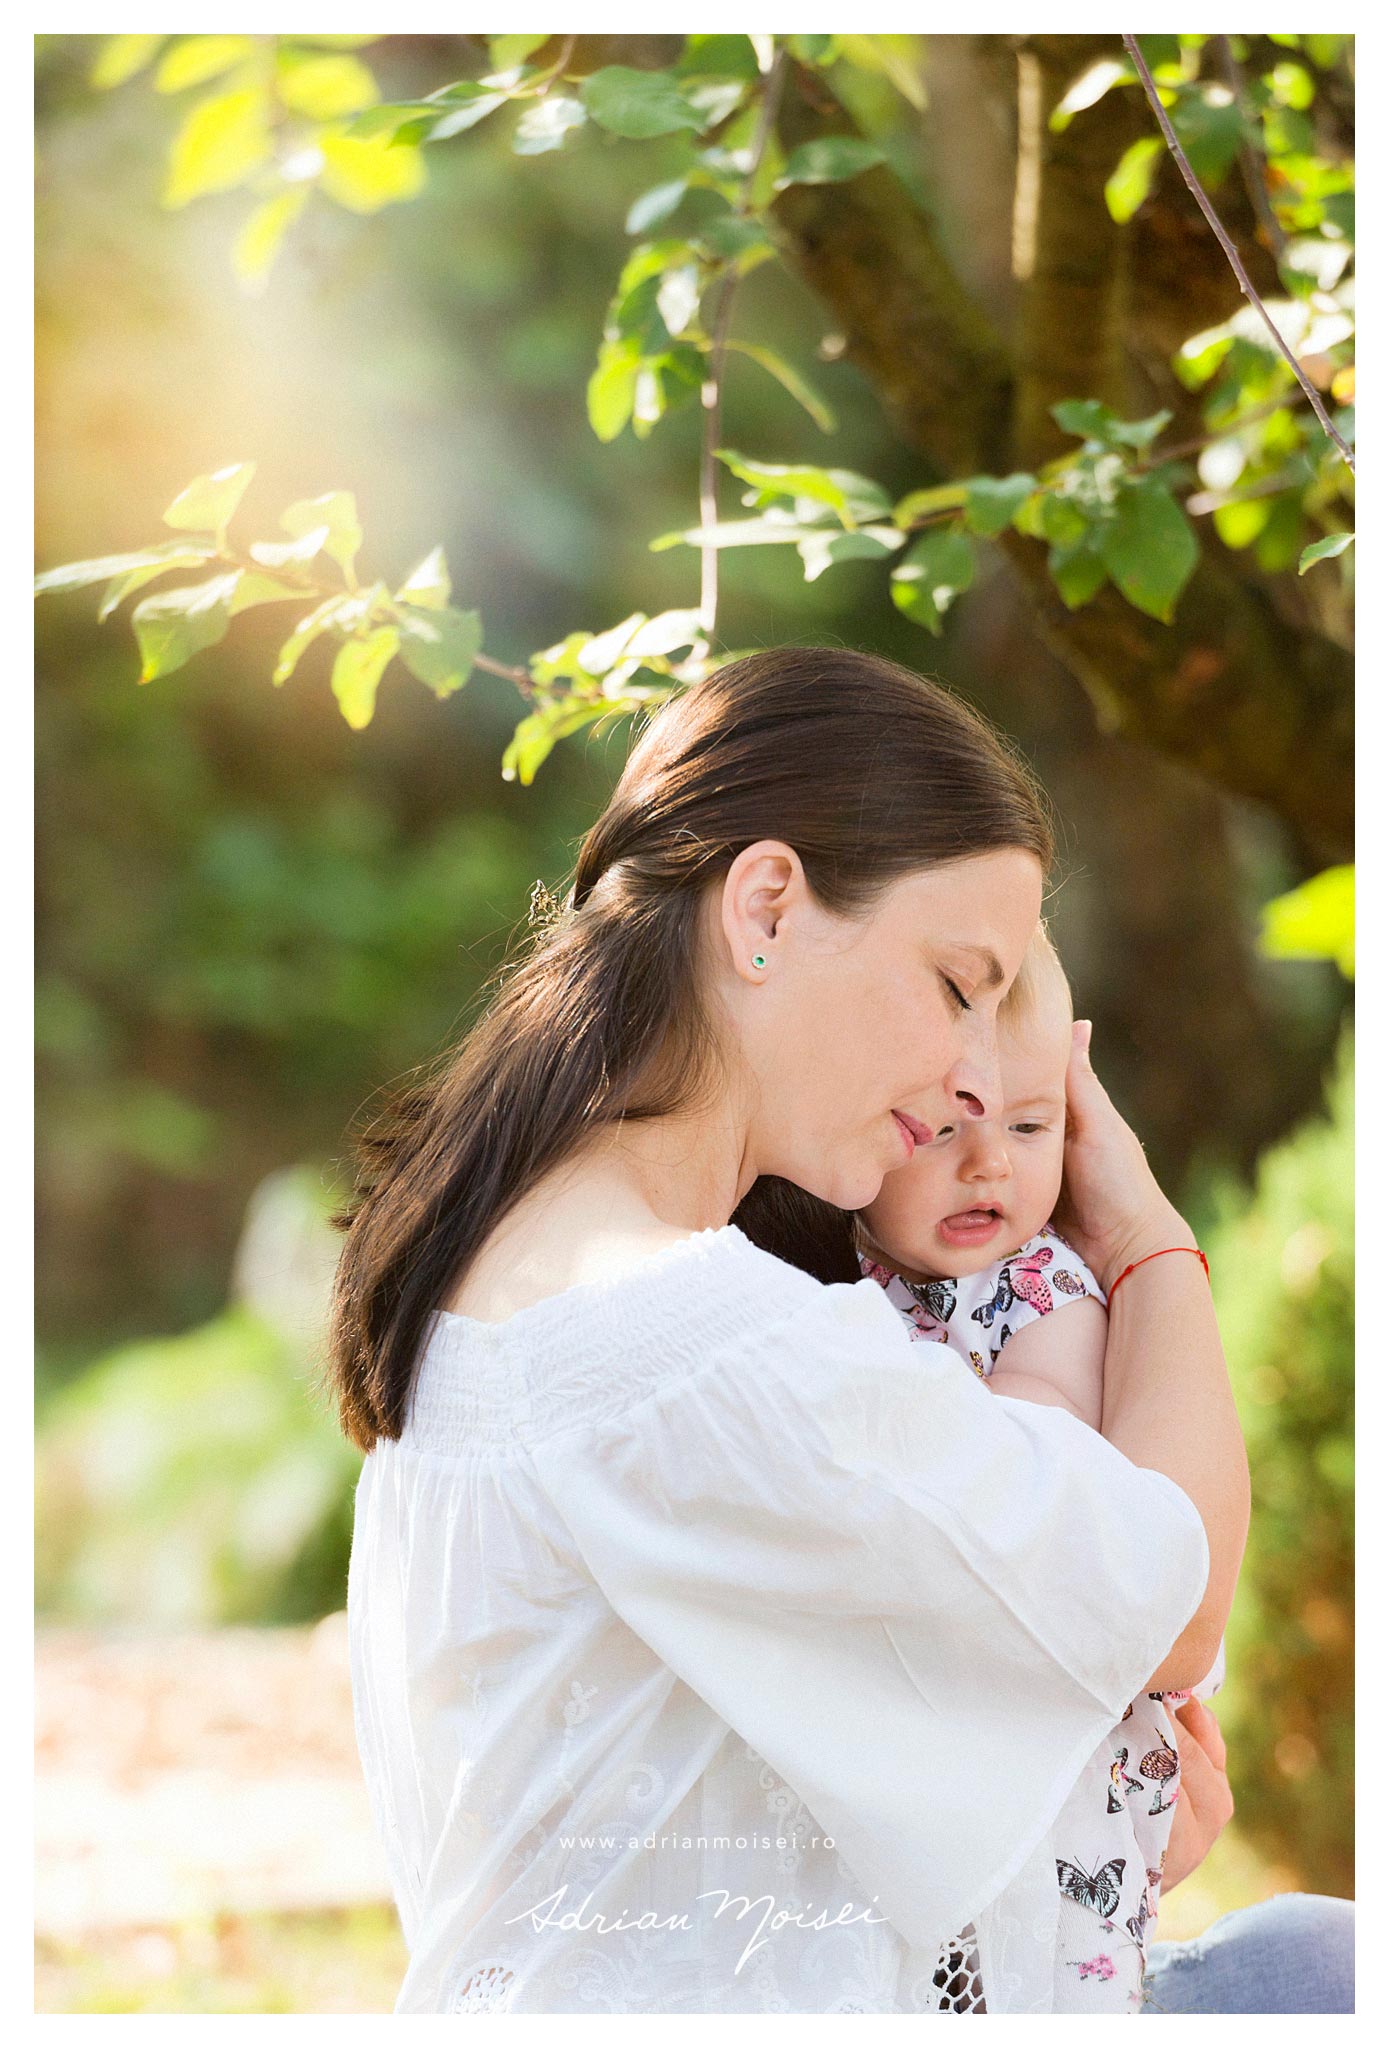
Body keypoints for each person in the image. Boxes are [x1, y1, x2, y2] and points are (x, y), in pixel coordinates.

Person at [329, 647, 1248, 2012]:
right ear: (762, 908)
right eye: (956, 985)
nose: (975, 1079)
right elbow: (1162, 1605)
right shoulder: (699, 1344)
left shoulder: (521, 1273)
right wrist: (1144, 1241)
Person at [844, 924, 1223, 2008]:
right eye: (946, 1129)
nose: (989, 1161)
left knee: (1070, 1952)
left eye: (1030, 1122)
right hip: (953, 1705)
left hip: (1077, 1690)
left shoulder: (1045, 1290)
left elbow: (1030, 1450)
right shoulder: (842, 1275)